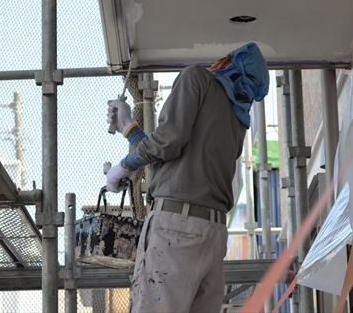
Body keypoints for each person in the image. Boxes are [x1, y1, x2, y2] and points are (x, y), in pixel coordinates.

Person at [105, 42, 269, 313]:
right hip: (213, 234)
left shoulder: (197, 78)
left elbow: (167, 143)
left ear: (228, 63)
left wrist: (122, 168)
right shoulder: (238, 118)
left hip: (176, 226)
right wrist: (129, 128)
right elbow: (171, 160)